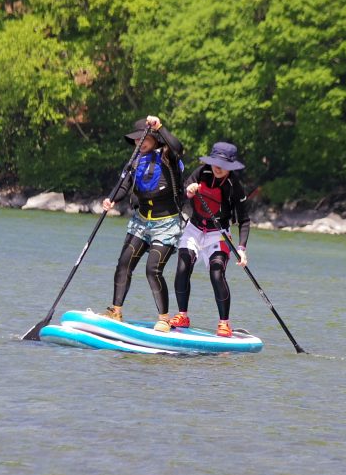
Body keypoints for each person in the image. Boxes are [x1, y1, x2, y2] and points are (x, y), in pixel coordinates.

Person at [100, 115, 185, 332]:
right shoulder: (134, 161)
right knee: (123, 264)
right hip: (140, 222)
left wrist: (160, 127)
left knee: (152, 270)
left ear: (155, 138)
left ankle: (164, 319)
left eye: (144, 139)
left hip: (166, 224)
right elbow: (123, 186)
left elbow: (178, 147)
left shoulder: (168, 156)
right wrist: (112, 199)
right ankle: (116, 312)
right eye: (137, 140)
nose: (140, 143)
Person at [168, 141, 249, 337]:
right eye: (215, 163)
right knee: (182, 266)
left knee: (216, 274)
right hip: (194, 229)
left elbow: (245, 220)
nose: (217, 168)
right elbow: (185, 190)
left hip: (218, 234)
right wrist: (190, 190)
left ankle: (224, 324)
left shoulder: (234, 185)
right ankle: (182, 316)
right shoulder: (202, 172)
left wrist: (241, 249)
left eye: (222, 165)